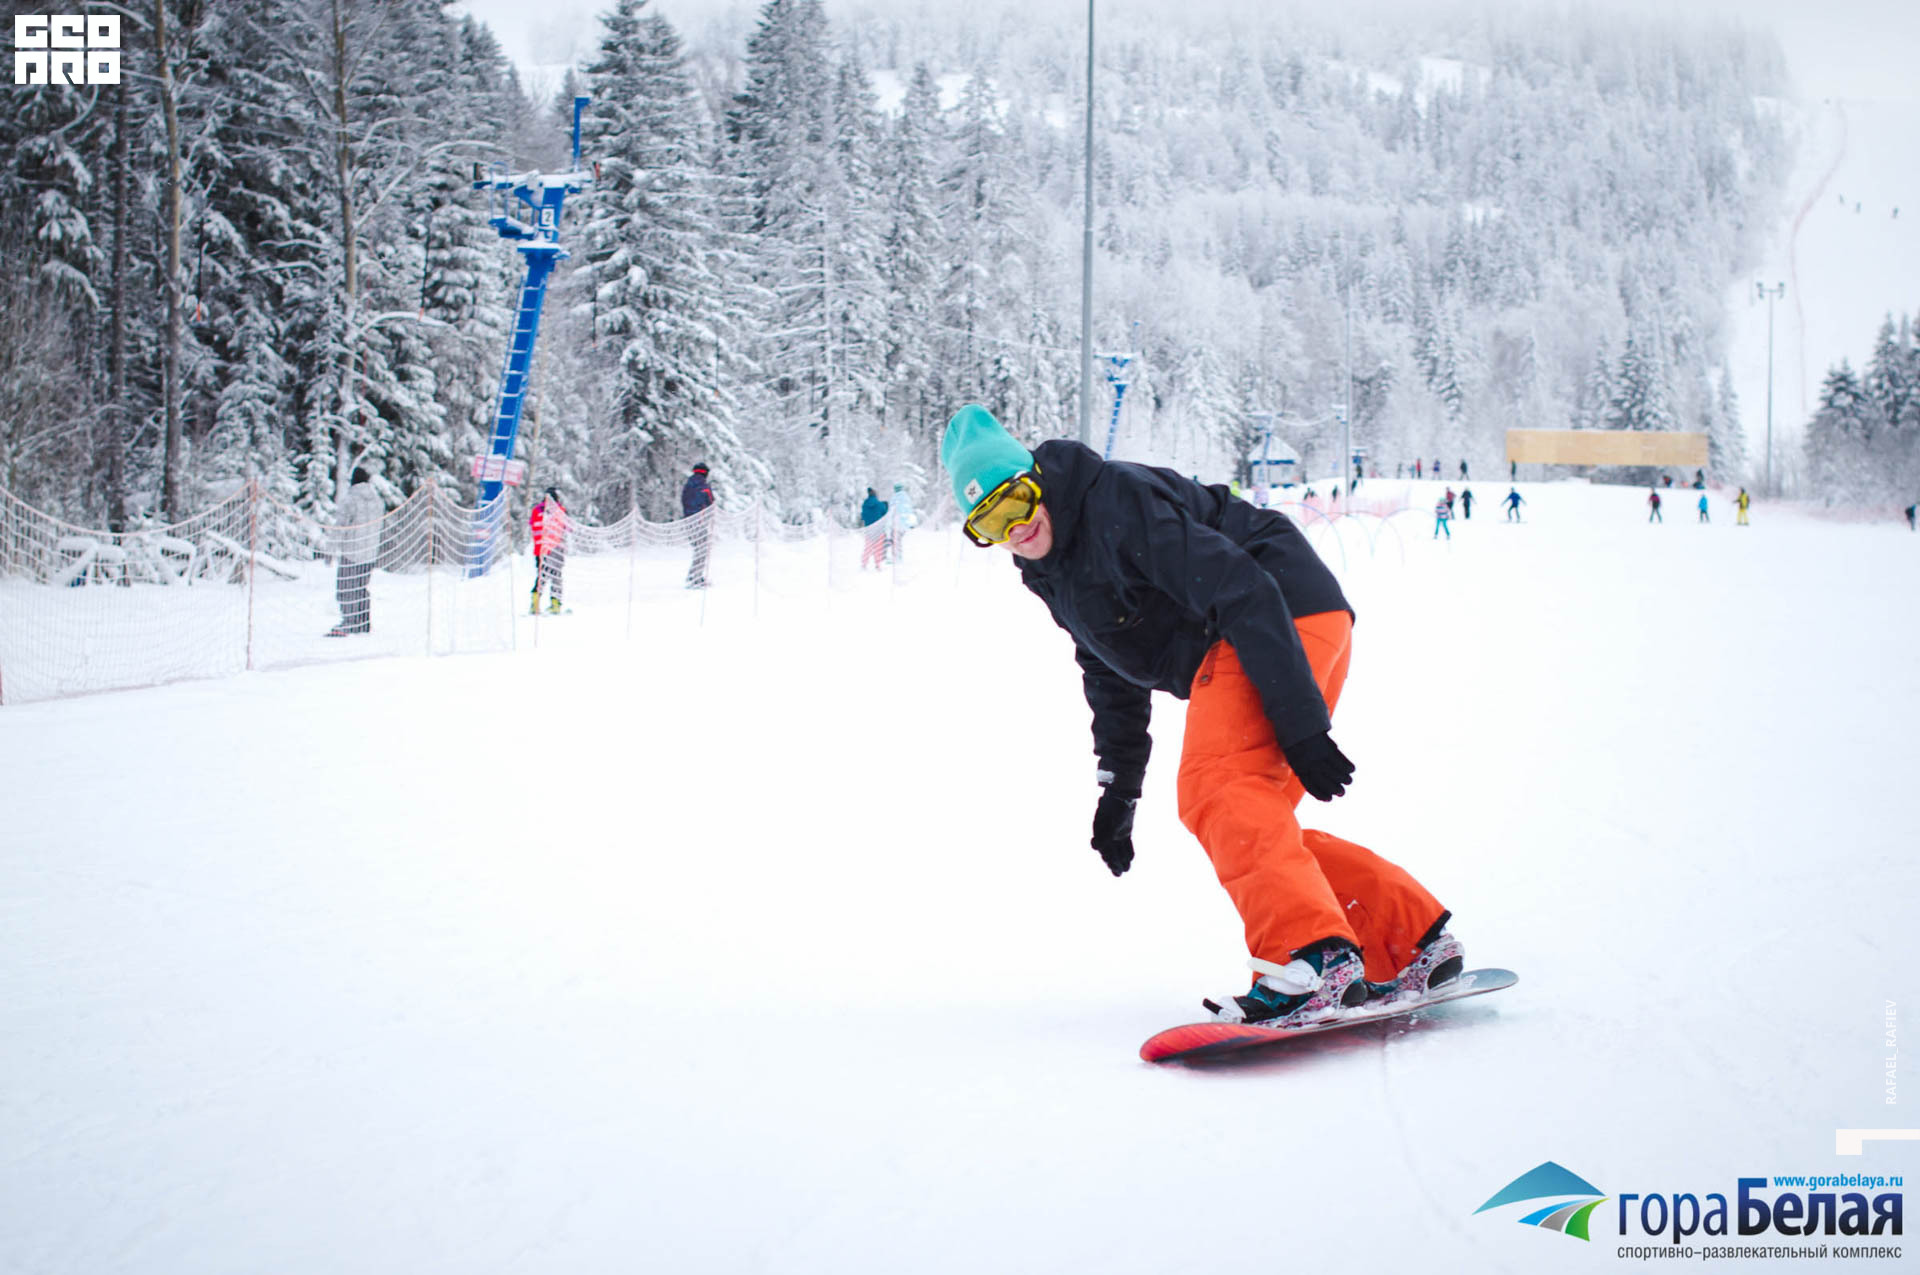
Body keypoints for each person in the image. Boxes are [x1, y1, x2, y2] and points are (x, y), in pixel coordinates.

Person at [938, 403, 1464, 1027]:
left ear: (1037, 480)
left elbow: (1240, 584)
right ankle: (1411, 940)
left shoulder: (1113, 501)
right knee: (1254, 823)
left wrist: (1299, 722)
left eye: (1018, 501)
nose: (1016, 527)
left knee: (1217, 787)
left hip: (1273, 614)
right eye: (991, 522)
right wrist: (1119, 790)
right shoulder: (1049, 569)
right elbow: (1106, 668)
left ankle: (1312, 959)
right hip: (1287, 624)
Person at [327, 468, 383, 637]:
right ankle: (363, 623)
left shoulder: (350, 500)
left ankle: (349, 623)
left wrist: (330, 550)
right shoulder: (377, 500)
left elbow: (340, 526)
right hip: (370, 553)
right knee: (361, 588)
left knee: (346, 588)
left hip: (352, 552)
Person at [529, 487, 570, 614]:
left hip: (540, 550)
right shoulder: (560, 511)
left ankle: (535, 604)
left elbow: (533, 526)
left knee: (541, 576)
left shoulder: (536, 510)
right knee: (556, 577)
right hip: (556, 550)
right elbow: (567, 528)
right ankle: (555, 604)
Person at [682, 463, 714, 588]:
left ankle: (693, 575)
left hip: (688, 520)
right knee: (702, 549)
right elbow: (711, 501)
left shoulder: (687, 485)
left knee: (698, 548)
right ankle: (695, 577)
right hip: (699, 520)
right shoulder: (704, 486)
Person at [859, 486, 890, 569]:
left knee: (868, 547)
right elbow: (884, 513)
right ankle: (878, 564)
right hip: (878, 529)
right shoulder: (880, 504)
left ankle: (864, 564)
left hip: (868, 529)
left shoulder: (864, 505)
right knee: (878, 547)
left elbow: (863, 516)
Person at [890, 481, 917, 562]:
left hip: (896, 523)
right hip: (904, 525)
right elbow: (909, 510)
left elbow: (891, 511)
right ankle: (899, 556)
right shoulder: (906, 498)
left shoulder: (894, 498)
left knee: (895, 541)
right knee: (898, 540)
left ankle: (896, 557)